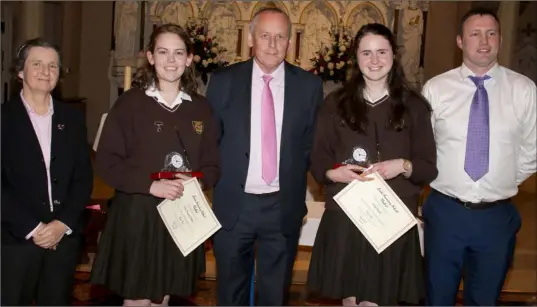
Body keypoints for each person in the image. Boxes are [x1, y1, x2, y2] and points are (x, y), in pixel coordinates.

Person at [307, 23, 438, 306]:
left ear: (394, 55)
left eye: (382, 52)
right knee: (351, 300)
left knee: (378, 301)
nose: (375, 60)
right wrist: (333, 173)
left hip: (391, 218)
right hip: (347, 215)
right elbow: (317, 158)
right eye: (367, 53)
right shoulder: (336, 103)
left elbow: (428, 167)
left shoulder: (414, 106)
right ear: (356, 57)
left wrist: (402, 165)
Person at [90, 24, 220, 306]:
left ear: (189, 59)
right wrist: (151, 185)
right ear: (150, 57)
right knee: (138, 299)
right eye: (163, 52)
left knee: (163, 298)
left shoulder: (202, 109)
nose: (171, 61)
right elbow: (106, 162)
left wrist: (197, 182)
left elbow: (213, 164)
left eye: (178, 53)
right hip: (138, 214)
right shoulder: (129, 104)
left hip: (181, 215)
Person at [205, 7, 324, 306]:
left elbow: (312, 143)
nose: (273, 44)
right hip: (235, 205)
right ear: (250, 38)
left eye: (280, 37)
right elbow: (209, 140)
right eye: (265, 36)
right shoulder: (222, 82)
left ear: (290, 42)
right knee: (231, 293)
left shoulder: (309, 86)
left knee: (275, 295)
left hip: (282, 206)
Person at [421, 8, 536, 306]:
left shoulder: (523, 90)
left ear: (499, 38)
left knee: (485, 300)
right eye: (475, 33)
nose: (484, 41)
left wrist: (501, 178)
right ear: (460, 41)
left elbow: (532, 150)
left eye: (491, 33)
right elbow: (424, 148)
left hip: (496, 219)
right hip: (446, 214)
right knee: (437, 299)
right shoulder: (436, 89)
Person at [1, 38, 93, 305]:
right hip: (14, 240)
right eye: (37, 64)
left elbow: (82, 178)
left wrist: (61, 225)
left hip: (62, 240)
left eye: (53, 66)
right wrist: (35, 228)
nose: (46, 71)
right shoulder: (3, 119)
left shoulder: (72, 119)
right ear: (20, 72)